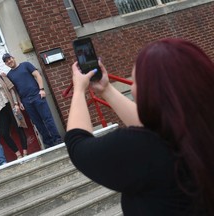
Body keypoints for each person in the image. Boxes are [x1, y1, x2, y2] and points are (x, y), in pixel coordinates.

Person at [65, 38, 214, 215]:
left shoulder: (142, 149)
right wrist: (106, 89)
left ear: (152, 91)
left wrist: (79, 90)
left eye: (135, 82)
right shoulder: (199, 130)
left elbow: (77, 145)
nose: (134, 87)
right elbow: (158, 125)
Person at [2, 53, 62, 148]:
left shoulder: (26, 65)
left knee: (47, 118)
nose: (9, 61)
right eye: (6, 61)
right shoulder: (9, 75)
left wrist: (41, 89)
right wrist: (19, 102)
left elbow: (37, 75)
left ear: (13, 58)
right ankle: (49, 143)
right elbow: (15, 90)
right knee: (37, 123)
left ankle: (57, 140)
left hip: (37, 96)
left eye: (9, 59)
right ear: (6, 64)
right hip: (26, 101)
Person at [0, 62, 28, 159]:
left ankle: (25, 151)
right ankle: (18, 154)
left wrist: (16, 104)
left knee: (18, 128)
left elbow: (12, 90)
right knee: (4, 133)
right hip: (0, 111)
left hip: (10, 106)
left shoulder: (3, 78)